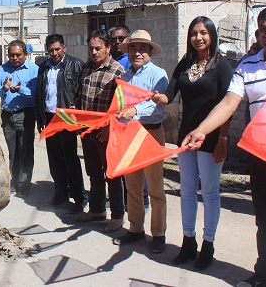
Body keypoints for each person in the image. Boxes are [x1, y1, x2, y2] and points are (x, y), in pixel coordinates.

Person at [182, 6, 266, 287]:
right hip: (263, 159)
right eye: (262, 29)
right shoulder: (247, 66)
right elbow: (228, 104)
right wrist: (201, 129)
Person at [151, 17, 233, 269]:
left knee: (209, 194)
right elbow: (170, 94)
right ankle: (188, 242)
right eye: (194, 33)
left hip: (211, 138)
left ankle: (208, 245)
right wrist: (156, 97)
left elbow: (227, 106)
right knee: (186, 192)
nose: (198, 37)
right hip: (186, 137)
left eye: (203, 33)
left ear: (212, 35)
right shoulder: (185, 63)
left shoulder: (222, 66)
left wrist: (222, 140)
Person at [112, 30, 169, 254]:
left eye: (142, 48)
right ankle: (135, 228)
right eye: (133, 48)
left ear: (150, 52)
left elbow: (157, 104)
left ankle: (159, 234)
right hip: (130, 134)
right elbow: (119, 105)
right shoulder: (124, 77)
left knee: (155, 188)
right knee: (133, 186)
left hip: (151, 134)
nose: (137, 52)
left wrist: (134, 110)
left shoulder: (159, 74)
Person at [73, 29, 126, 233]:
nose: (94, 52)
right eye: (91, 49)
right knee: (93, 172)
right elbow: (78, 96)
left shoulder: (118, 71)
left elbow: (122, 105)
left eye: (98, 48)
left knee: (112, 175)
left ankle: (117, 215)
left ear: (108, 48)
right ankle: (96, 210)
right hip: (88, 131)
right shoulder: (86, 68)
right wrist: (77, 119)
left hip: (108, 133)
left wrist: (110, 127)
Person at [35, 34, 85, 214]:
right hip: (49, 118)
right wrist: (40, 119)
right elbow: (39, 94)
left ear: (64, 47)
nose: (54, 53)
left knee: (70, 158)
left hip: (66, 118)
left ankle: (79, 197)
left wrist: (78, 118)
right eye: (51, 50)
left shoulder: (76, 65)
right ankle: (61, 192)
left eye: (57, 49)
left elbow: (81, 92)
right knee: (54, 157)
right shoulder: (43, 68)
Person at [0, 40, 39, 197]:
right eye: (11, 55)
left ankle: (24, 183)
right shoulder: (2, 69)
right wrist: (4, 88)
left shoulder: (33, 70)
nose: (15, 57)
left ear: (25, 54)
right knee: (13, 151)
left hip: (26, 114)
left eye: (18, 54)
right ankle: (14, 179)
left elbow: (36, 94)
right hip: (7, 116)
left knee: (25, 149)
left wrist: (21, 90)